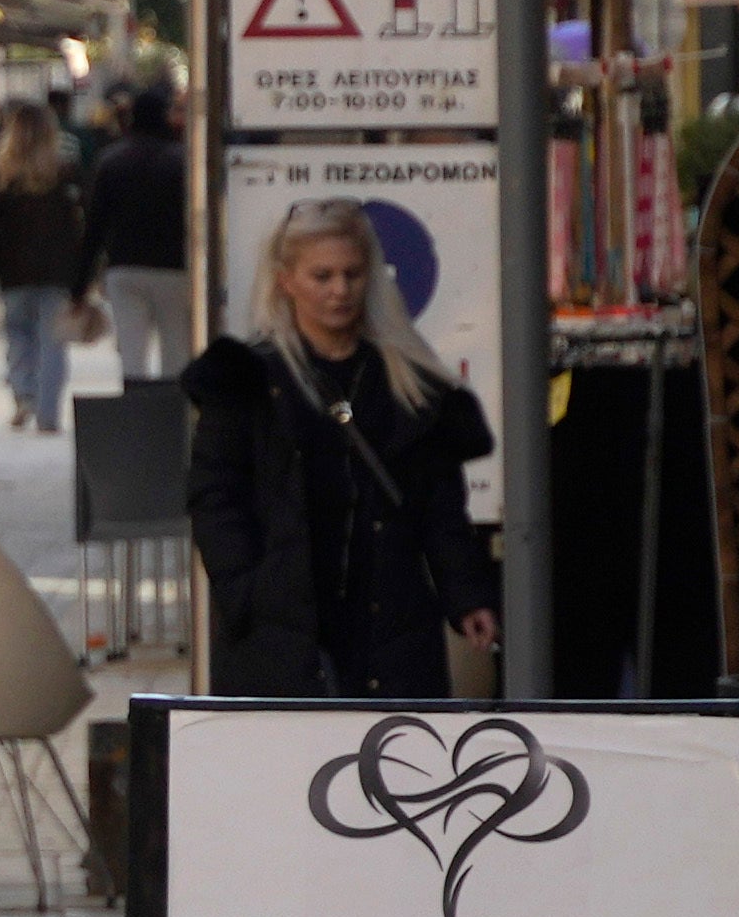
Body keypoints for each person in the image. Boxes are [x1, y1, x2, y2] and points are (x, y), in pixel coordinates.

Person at [184, 196, 500, 697]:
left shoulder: (406, 384)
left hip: (390, 623)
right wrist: (245, 590)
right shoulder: (247, 381)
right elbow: (215, 496)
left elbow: (440, 506)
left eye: (352, 275)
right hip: (285, 629)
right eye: (323, 276)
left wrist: (466, 597)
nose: (339, 291)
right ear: (287, 280)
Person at [0, 100, 89, 435]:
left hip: (14, 270)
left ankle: (24, 394)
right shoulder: (65, 168)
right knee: (53, 341)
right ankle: (48, 414)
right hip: (57, 268)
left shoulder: (2, 173)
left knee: (18, 335)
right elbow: (78, 220)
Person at [85, 80, 191, 388]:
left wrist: (80, 285)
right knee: (176, 349)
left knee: (132, 351)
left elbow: (96, 225)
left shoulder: (112, 161)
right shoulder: (183, 162)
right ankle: (173, 415)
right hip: (175, 269)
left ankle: (136, 408)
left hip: (125, 268)